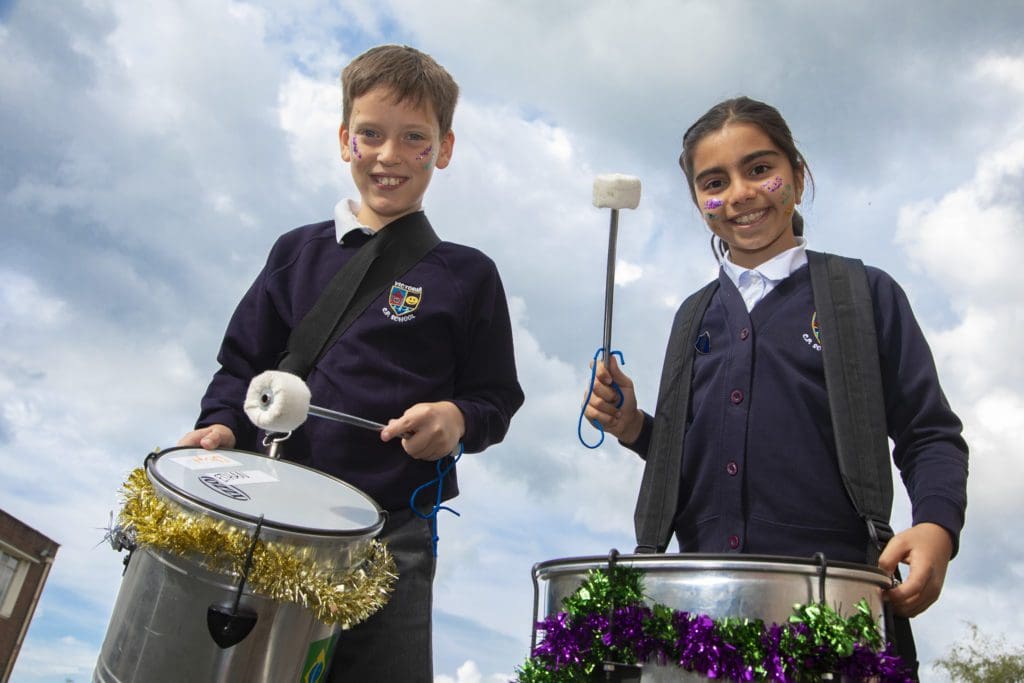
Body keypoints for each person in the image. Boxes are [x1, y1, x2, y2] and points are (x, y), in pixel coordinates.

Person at [584, 96, 967, 675]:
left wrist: (937, 524)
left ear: (798, 174)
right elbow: (693, 455)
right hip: (702, 616)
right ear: (697, 202)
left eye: (760, 169)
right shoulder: (693, 317)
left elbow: (930, 432)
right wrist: (636, 427)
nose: (739, 193)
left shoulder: (864, 294)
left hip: (837, 604)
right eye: (715, 182)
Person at [178, 44, 524, 682]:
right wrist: (222, 425)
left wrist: (457, 417)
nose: (389, 156)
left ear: (443, 149)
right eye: (371, 134)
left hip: (392, 533)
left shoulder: (468, 275)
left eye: (414, 138)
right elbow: (241, 365)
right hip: (269, 515)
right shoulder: (296, 252)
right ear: (345, 140)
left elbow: (496, 398)